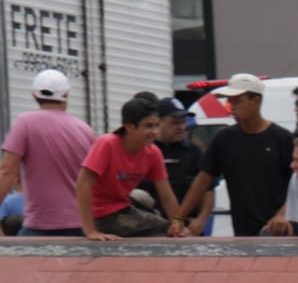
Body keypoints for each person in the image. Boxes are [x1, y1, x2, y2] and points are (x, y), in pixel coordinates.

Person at [176, 73, 295, 237]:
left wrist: (282, 214)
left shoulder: (283, 139)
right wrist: (178, 218)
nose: (231, 106)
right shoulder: (224, 139)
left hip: (278, 233)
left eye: (236, 100)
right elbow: (203, 180)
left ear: (256, 101)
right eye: (229, 101)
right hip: (242, 234)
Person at [0, 69, 97, 237]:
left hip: (41, 226)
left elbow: (7, 171)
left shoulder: (25, 123)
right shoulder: (85, 130)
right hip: (82, 224)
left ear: (34, 95)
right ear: (66, 95)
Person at [76, 98, 188, 240]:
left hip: (124, 209)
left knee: (172, 230)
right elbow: (82, 184)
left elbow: (166, 195)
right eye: (148, 126)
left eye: (156, 125)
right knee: (163, 230)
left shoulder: (153, 152)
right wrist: (90, 231)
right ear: (129, 127)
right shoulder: (107, 144)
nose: (154, 132)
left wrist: (177, 223)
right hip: (99, 216)